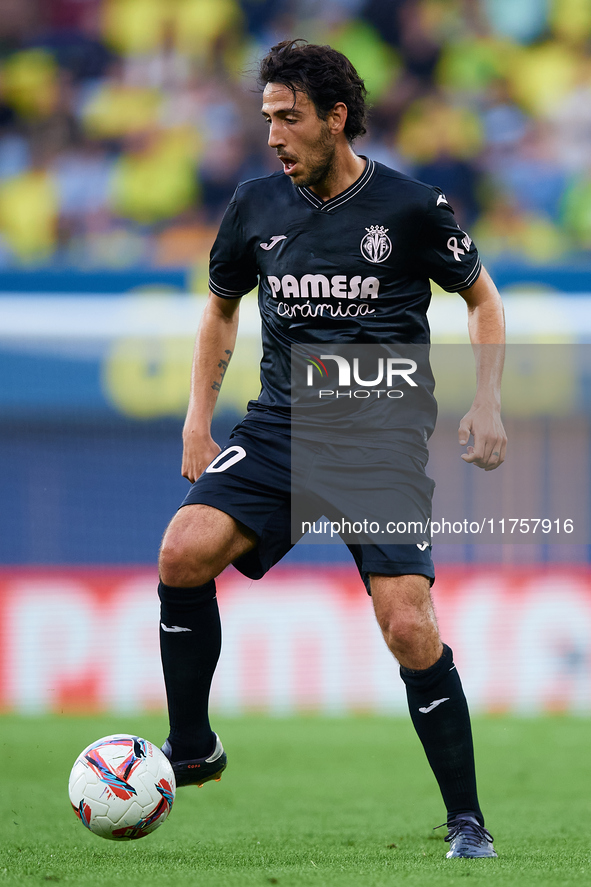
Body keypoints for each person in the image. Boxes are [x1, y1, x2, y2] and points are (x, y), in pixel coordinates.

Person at [157, 39, 506, 859]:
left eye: (289, 119)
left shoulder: (413, 207)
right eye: (266, 119)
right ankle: (192, 746)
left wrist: (486, 402)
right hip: (280, 427)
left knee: (408, 628)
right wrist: (196, 420)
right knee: (182, 551)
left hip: (378, 437)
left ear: (335, 118)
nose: (273, 136)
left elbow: (480, 301)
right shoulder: (252, 206)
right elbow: (220, 310)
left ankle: (467, 820)